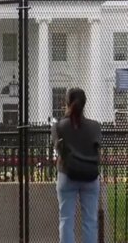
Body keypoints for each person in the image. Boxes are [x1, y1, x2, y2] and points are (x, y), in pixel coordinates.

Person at [51, 88, 102, 243]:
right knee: (90, 221)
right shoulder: (95, 126)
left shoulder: (59, 126)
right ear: (84, 104)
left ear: (66, 103)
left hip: (67, 174)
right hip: (90, 176)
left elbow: (57, 149)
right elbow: (97, 149)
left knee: (66, 220)